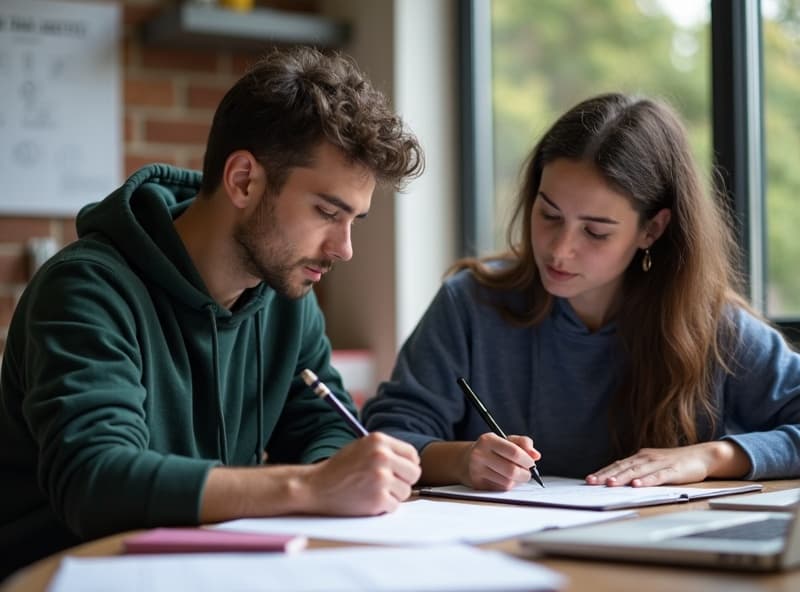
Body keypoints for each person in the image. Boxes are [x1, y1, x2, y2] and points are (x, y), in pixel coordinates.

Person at [0, 46, 423, 577]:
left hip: (209, 572)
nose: (344, 248)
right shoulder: (84, 289)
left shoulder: (288, 300)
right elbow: (97, 483)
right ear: (244, 180)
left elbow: (326, 426)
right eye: (326, 213)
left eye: (354, 219)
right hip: (67, 577)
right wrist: (312, 486)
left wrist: (340, 477)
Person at [362, 92, 800, 492]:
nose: (559, 250)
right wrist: (462, 461)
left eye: (595, 231)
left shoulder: (713, 328)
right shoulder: (470, 304)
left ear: (652, 229)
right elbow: (389, 433)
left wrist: (712, 456)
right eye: (549, 214)